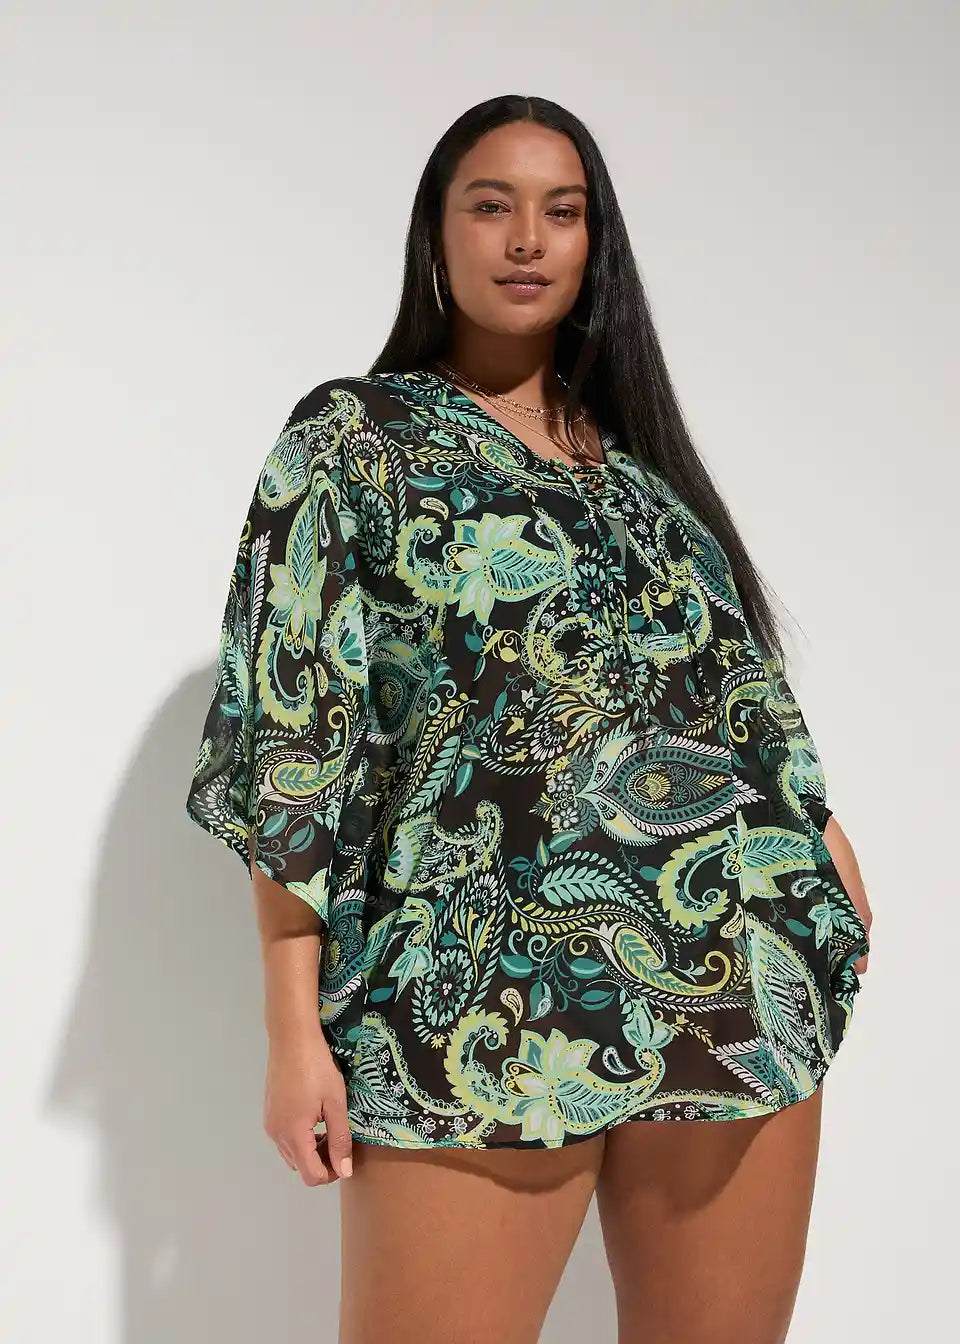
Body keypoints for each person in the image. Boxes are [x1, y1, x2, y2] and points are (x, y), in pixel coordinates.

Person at [185, 94, 872, 1344]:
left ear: (594, 244)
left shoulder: (641, 473)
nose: (525, 240)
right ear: (435, 233)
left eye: (563, 212)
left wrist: (825, 854)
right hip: (472, 1001)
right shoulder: (355, 440)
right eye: (491, 206)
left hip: (735, 990)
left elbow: (737, 698)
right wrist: (293, 1034)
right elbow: (294, 742)